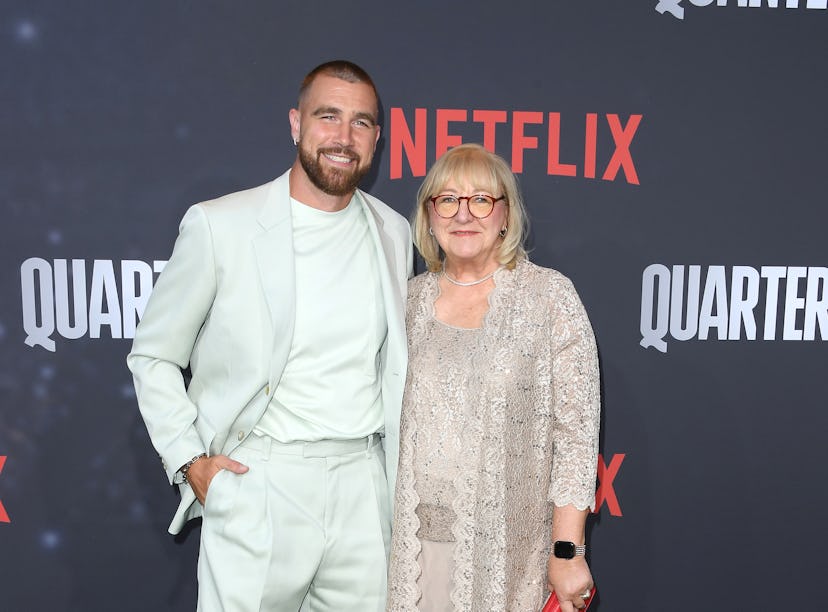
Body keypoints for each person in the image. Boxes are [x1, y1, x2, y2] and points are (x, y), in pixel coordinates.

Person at [127, 60, 412, 611]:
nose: (344, 137)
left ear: (377, 138)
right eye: (328, 116)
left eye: (360, 122)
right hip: (260, 480)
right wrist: (190, 461)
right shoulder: (221, 225)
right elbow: (153, 355)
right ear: (296, 124)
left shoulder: (394, 232)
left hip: (363, 487)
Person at [386, 143, 600, 611]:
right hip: (407, 554)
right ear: (429, 216)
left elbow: (576, 439)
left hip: (507, 559)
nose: (464, 214)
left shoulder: (549, 298)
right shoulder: (405, 302)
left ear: (506, 215)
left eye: (481, 199)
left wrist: (568, 551)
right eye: (448, 199)